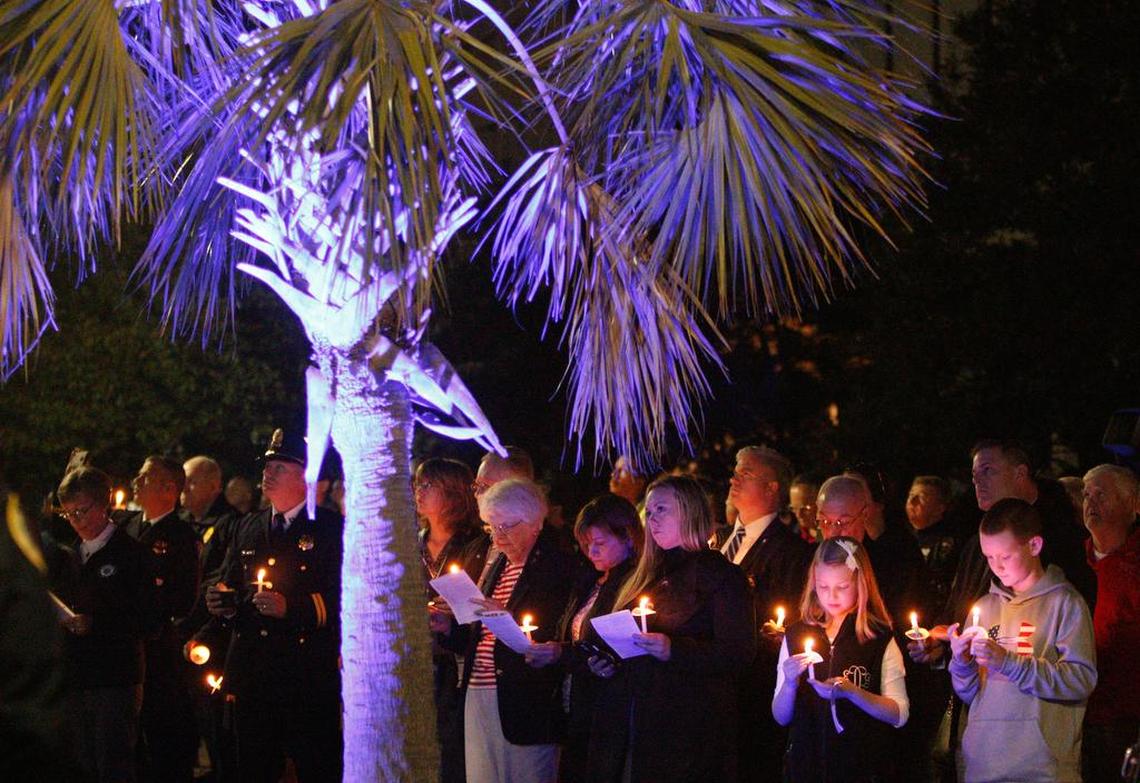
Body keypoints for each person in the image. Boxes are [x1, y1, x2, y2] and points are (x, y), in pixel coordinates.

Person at [586, 475, 755, 783]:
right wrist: (608, 662)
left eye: (661, 509)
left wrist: (673, 649)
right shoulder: (644, 576)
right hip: (641, 722)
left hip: (693, 729)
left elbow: (738, 654)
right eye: (648, 512)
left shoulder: (722, 576)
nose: (652, 519)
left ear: (690, 511)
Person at [199, 428, 344, 782]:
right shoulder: (248, 526)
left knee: (317, 768)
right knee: (252, 769)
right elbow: (231, 579)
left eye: (280, 467)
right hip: (254, 675)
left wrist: (292, 608)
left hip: (305, 675)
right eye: (267, 466)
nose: (267, 473)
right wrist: (222, 601)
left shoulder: (330, 529)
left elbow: (343, 597)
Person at [433, 478, 579, 783]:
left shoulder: (556, 567)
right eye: (491, 528)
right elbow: (478, 635)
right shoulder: (497, 566)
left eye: (506, 527)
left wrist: (506, 617)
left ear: (535, 523)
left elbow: (555, 627)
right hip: (478, 692)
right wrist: (449, 628)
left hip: (525, 697)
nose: (498, 538)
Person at [947, 498, 1096, 783]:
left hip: (1042, 770)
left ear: (1034, 545)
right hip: (984, 766)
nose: (996, 567)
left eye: (1005, 556)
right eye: (989, 557)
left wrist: (1009, 662)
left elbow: (1081, 680)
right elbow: (971, 695)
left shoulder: (1065, 604)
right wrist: (962, 662)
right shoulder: (985, 607)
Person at [523, 494, 642, 782]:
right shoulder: (588, 581)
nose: (592, 552)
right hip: (576, 707)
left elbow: (610, 645)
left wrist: (560, 653)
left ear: (627, 537)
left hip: (608, 714)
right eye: (586, 544)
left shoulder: (634, 584)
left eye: (599, 544)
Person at [53, 467, 161, 783]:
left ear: (106, 503)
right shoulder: (69, 556)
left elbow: (149, 619)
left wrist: (96, 624)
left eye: (82, 510)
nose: (76, 519)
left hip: (115, 679)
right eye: (68, 513)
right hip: (76, 677)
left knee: (113, 764)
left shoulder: (132, 554)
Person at [773, 536, 909, 783]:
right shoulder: (796, 634)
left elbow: (899, 714)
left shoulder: (878, 638)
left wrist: (853, 693)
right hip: (805, 769)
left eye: (842, 587)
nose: (831, 596)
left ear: (861, 583)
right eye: (823, 587)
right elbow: (781, 716)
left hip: (861, 770)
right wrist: (790, 683)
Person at [713, 445, 811, 783]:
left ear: (772, 488)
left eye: (746, 474)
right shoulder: (717, 539)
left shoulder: (791, 552)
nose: (734, 479)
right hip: (709, 690)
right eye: (735, 472)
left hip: (752, 691)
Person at [118, 456, 200, 783]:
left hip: (158, 653)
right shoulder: (128, 527)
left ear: (168, 489)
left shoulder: (179, 536)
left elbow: (182, 598)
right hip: (125, 651)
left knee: (162, 739)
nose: (136, 482)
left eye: (144, 477)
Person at [415, 457, 485, 783]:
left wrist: (450, 620)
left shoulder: (477, 545)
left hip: (455, 666)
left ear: (454, 493)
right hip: (413, 665)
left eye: (428, 485)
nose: (418, 490)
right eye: (418, 483)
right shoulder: (409, 544)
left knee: (452, 758)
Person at [1080, 464, 1140, 783]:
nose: (1090, 502)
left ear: (1134, 504)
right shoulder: (1076, 562)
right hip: (1081, 712)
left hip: (1126, 718)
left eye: (1101, 495)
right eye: (1086, 494)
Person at [789, 475, 820, 542]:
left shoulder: (837, 539)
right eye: (794, 508)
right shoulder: (792, 538)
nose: (799, 515)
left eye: (805, 508)